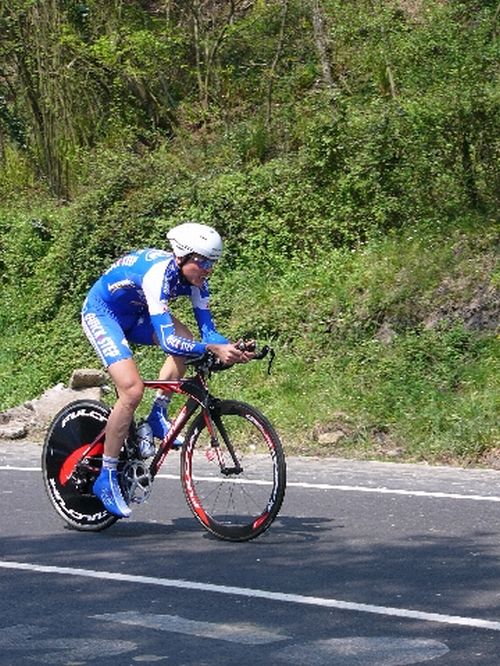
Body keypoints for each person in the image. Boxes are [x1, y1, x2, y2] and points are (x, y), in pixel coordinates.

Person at [81, 222, 253, 518]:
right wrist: (211, 349)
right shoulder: (157, 275)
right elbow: (167, 340)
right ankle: (106, 477)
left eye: (212, 263)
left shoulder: (197, 281)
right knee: (132, 390)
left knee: (188, 338)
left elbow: (208, 333)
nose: (208, 269)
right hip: (103, 314)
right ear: (182, 256)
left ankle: (157, 415)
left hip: (136, 314)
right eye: (203, 262)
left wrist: (231, 348)